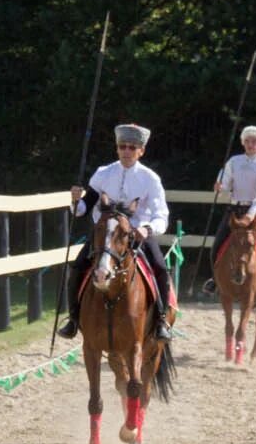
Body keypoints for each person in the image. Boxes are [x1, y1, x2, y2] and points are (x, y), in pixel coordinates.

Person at [61, 123, 175, 341]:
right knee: (77, 266)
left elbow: (162, 215)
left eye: (132, 147)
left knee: (160, 267)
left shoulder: (150, 179)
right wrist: (76, 201)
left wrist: (147, 228)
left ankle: (160, 320)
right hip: (105, 235)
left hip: (137, 236)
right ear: (117, 148)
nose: (127, 151)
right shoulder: (103, 174)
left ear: (141, 151)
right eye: (122, 147)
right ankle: (74, 318)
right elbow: (84, 208)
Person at [213, 125, 256, 301]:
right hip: (235, 210)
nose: (251, 144)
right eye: (248, 141)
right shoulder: (233, 162)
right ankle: (214, 279)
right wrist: (221, 187)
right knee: (217, 244)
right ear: (243, 142)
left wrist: (251, 214)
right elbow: (227, 184)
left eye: (255, 142)